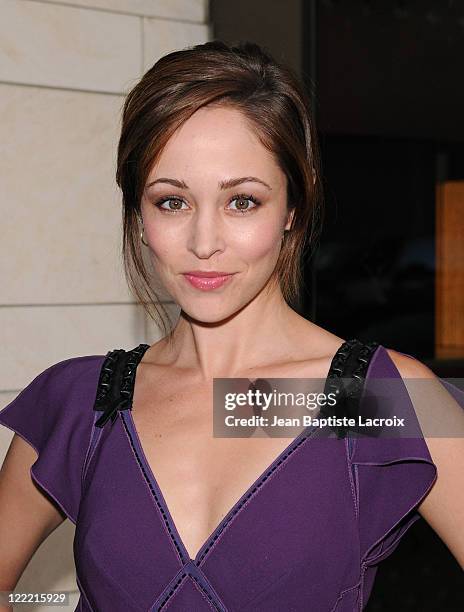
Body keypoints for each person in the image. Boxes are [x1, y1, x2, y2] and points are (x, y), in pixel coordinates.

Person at [0, 40, 463, 612]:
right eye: (172, 202)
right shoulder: (84, 402)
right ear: (139, 218)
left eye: (242, 201)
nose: (203, 242)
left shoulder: (368, 397)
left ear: (292, 208)